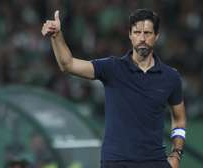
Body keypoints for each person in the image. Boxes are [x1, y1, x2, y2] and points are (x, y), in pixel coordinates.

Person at [41, 8, 186, 168]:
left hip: (155, 162)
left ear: (156, 36)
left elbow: (179, 120)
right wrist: (57, 35)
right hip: (116, 162)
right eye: (137, 32)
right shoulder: (112, 68)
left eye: (147, 33)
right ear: (130, 35)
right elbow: (68, 64)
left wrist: (176, 154)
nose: (142, 38)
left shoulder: (170, 77)